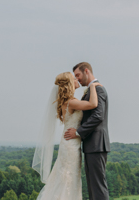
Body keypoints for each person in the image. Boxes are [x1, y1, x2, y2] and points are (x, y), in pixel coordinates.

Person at [32, 71, 102, 200]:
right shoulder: (70, 102)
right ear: (69, 83)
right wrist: (92, 85)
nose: (76, 80)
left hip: (71, 143)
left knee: (70, 177)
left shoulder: (69, 101)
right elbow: (93, 104)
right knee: (69, 178)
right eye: (74, 78)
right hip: (70, 145)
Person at [64, 62, 110, 200]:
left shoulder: (99, 89)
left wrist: (78, 132)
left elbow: (98, 116)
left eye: (78, 75)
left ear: (86, 71)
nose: (77, 79)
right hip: (91, 145)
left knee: (98, 186)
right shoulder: (91, 90)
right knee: (92, 185)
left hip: (97, 144)